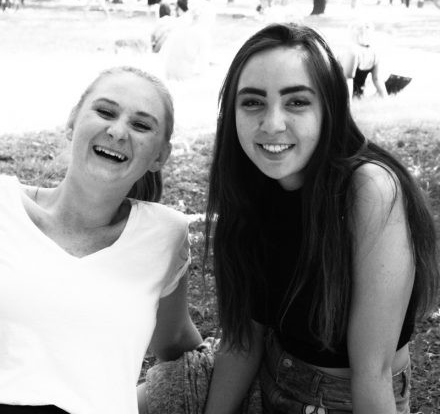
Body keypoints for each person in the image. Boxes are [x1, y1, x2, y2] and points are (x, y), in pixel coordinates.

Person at [202, 23, 439, 413]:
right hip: (269, 374)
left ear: (329, 108)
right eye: (253, 102)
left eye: (296, 102)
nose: (272, 123)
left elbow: (373, 374)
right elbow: (242, 341)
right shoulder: (250, 182)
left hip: (340, 400)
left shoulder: (369, 189)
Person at [0, 66, 202, 414]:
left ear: (160, 156)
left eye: (141, 125)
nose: (118, 131)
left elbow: (177, 341)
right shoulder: (5, 206)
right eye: (106, 112)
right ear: (72, 120)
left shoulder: (165, 235)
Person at [339, 21, 388, 99]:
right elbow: (377, 79)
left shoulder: (352, 53)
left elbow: (348, 79)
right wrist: (385, 97)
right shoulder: (374, 53)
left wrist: (348, 103)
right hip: (358, 93)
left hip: (343, 93)